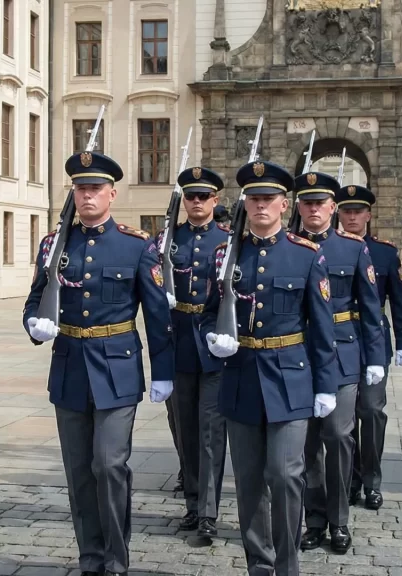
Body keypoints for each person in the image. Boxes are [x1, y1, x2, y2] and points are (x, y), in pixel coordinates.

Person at [23, 151, 175, 576]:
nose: (87, 195)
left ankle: (116, 558)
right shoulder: (55, 245)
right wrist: (34, 324)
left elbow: (159, 316)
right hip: (70, 367)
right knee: (79, 472)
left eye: (95, 188)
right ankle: (90, 557)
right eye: (80, 188)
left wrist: (163, 372)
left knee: (109, 464)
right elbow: (35, 298)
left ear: (112, 193)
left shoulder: (136, 245)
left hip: (117, 369)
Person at [201, 160, 338, 576]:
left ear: (284, 204)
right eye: (254, 198)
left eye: (268, 198)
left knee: (283, 474)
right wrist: (214, 338)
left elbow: (322, 327)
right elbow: (209, 314)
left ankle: (287, 565)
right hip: (242, 379)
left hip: (289, 379)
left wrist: (325, 386)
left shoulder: (305, 255)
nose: (260, 205)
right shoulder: (225, 255)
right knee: (248, 483)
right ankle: (259, 566)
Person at [294, 171, 384, 555]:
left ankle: (340, 518)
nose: (314, 209)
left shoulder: (351, 248)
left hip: (342, 354)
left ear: (333, 208)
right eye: (307, 202)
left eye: (320, 203)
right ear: (297, 206)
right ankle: (314, 519)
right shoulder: (289, 246)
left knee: (337, 435)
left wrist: (375, 358)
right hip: (298, 356)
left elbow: (370, 308)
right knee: (307, 444)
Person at [155, 166, 229, 539]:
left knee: (211, 433)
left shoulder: (231, 240)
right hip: (179, 344)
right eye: (191, 196)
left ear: (216, 200)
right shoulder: (168, 239)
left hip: (215, 348)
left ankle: (209, 514)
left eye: (203, 196)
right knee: (185, 430)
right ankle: (194, 503)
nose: (196, 202)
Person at [336, 184, 402, 511]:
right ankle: (348, 479)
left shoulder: (383, 252)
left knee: (370, 411)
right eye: (346, 210)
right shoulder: (329, 247)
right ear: (338, 213)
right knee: (344, 417)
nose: (352, 216)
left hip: (373, 341)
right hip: (340, 338)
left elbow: (398, 300)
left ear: (368, 214)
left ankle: (371, 480)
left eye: (358, 211)